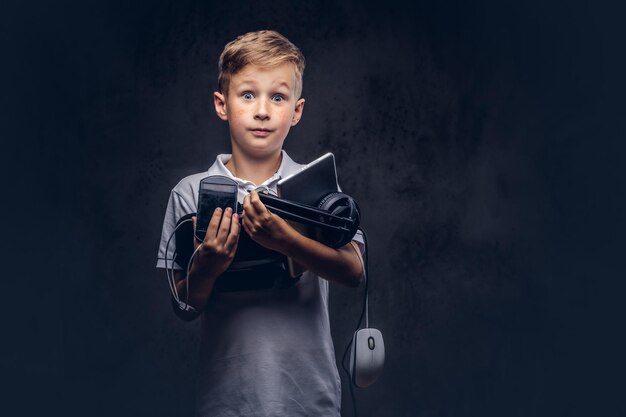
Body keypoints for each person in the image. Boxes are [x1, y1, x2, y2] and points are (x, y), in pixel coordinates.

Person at [156, 30, 365, 417]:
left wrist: (285, 241)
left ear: (297, 111)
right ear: (222, 104)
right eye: (248, 94)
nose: (263, 110)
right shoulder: (189, 193)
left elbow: (354, 271)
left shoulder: (318, 185)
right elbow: (184, 307)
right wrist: (207, 266)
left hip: (309, 396)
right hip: (228, 399)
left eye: (278, 97)